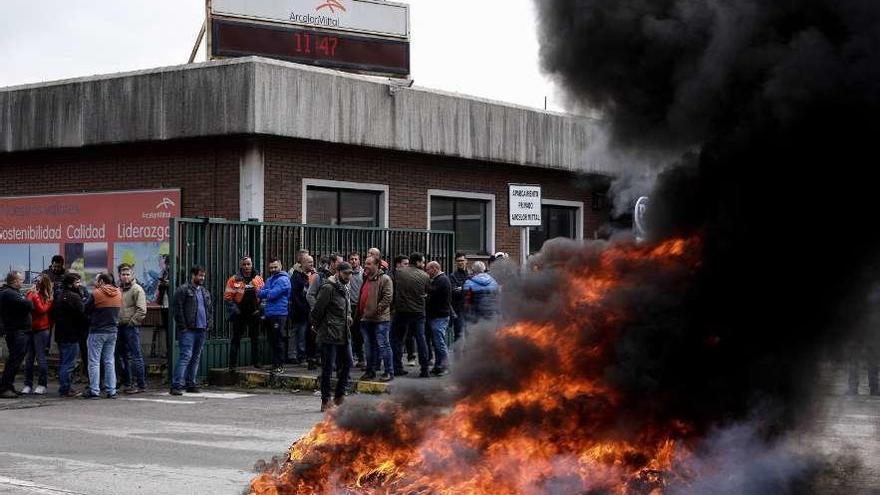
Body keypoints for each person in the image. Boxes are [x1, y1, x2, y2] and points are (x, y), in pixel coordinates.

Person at [311, 261, 354, 412]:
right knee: (328, 367)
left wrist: (348, 315)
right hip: (329, 332)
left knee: (348, 363)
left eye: (350, 273)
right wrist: (315, 325)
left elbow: (347, 306)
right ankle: (325, 399)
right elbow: (318, 309)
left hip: (343, 332)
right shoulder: (328, 288)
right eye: (346, 273)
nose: (348, 276)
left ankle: (339, 395)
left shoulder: (346, 287)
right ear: (338, 272)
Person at [170, 266, 213, 396]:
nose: (202, 278)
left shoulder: (205, 292)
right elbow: (177, 309)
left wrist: (208, 324)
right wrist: (183, 326)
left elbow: (209, 309)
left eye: (203, 276)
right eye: (200, 275)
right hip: (188, 330)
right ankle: (176, 385)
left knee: (196, 357)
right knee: (186, 356)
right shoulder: (183, 290)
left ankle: (191, 383)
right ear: (193, 275)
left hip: (201, 329)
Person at [391, 253, 432, 378]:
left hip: (401, 311)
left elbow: (393, 288)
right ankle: (424, 369)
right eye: (423, 262)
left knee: (397, 339)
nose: (424, 264)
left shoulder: (399, 273)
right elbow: (427, 291)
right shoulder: (425, 276)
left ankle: (397, 367)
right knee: (421, 339)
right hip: (418, 312)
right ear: (418, 262)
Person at [84, 273, 122, 399]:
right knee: (109, 361)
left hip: (97, 331)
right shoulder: (118, 292)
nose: (95, 282)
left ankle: (94, 390)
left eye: (96, 280)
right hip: (112, 331)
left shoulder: (96, 293)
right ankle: (112, 390)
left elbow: (86, 309)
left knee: (94, 361)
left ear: (101, 281)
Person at [52, 273, 89, 397]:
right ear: (70, 284)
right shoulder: (74, 297)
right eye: (77, 282)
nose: (79, 285)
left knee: (64, 362)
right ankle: (66, 389)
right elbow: (82, 314)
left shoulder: (59, 295)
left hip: (60, 334)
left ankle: (64, 387)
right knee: (68, 364)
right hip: (72, 334)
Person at [225, 256, 265, 371]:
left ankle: (257, 362)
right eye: (244, 264)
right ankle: (232, 365)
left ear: (252, 265)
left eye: (248, 264)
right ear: (241, 266)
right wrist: (235, 310)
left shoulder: (258, 279)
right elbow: (228, 297)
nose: (247, 267)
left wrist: (260, 309)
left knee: (255, 338)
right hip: (240, 313)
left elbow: (263, 295)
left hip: (254, 312)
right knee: (236, 339)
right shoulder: (234, 279)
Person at [358, 255, 394, 382]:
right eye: (365, 263)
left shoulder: (385, 279)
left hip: (380, 320)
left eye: (368, 264)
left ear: (376, 265)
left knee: (383, 345)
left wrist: (375, 311)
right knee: (369, 347)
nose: (365, 266)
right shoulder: (366, 278)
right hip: (366, 319)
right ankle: (370, 371)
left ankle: (389, 371)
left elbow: (387, 298)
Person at [0, 271, 33, 399]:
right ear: (14, 281)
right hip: (17, 332)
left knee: (15, 360)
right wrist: (29, 296)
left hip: (18, 331)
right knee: (14, 361)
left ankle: (9, 386)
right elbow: (29, 304)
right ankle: (4, 388)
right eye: (20, 280)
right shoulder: (9, 293)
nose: (22, 282)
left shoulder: (12, 293)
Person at [117, 264, 148, 394]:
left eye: (128, 274)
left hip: (130, 327)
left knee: (136, 356)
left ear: (132, 275)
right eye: (123, 274)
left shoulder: (137, 289)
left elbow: (142, 310)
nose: (125, 277)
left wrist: (131, 322)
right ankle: (128, 383)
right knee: (123, 356)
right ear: (119, 275)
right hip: (119, 327)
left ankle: (140, 384)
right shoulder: (118, 289)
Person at [258, 258, 291, 374]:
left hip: (279, 313)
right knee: (272, 340)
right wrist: (266, 292)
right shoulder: (270, 279)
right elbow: (260, 293)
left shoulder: (283, 280)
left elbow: (271, 294)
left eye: (275, 267)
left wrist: (266, 291)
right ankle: (275, 364)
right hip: (270, 313)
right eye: (271, 267)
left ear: (280, 266)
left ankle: (280, 365)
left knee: (278, 340)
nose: (273, 269)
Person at [23, 275, 53, 395]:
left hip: (41, 329)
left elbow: (41, 310)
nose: (35, 283)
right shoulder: (31, 293)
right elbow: (26, 305)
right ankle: (27, 384)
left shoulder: (48, 296)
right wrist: (32, 294)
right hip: (30, 329)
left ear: (43, 283)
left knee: (41, 358)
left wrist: (34, 295)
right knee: (29, 359)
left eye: (38, 281)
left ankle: (42, 384)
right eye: (35, 280)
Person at [425, 261, 452, 376]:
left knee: (439, 342)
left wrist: (427, 294)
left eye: (428, 270)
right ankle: (438, 366)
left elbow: (433, 294)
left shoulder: (442, 280)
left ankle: (446, 366)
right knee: (437, 342)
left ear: (435, 269)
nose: (427, 273)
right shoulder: (439, 280)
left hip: (440, 316)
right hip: (437, 315)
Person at [289, 254, 314, 365]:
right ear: (303, 263)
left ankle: (305, 355)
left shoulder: (308, 275)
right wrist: (304, 308)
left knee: (305, 334)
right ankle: (300, 356)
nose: (312, 264)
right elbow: (296, 295)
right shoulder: (297, 277)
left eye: (312, 262)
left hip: (306, 310)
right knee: (300, 334)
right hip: (300, 311)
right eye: (309, 262)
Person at [449, 253, 470, 357]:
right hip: (458, 309)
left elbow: (472, 290)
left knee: (469, 334)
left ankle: (468, 357)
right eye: (458, 261)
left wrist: (461, 288)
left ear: (466, 261)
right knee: (458, 334)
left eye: (462, 260)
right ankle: (457, 358)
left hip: (470, 309)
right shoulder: (452, 276)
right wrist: (465, 289)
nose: (460, 263)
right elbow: (454, 292)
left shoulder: (471, 274)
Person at [348, 252, 365, 367]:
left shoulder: (363, 274)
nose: (354, 261)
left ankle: (361, 357)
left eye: (356, 259)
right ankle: (351, 357)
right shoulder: (346, 274)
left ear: (359, 261)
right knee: (349, 333)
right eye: (351, 259)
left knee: (359, 334)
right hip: (349, 306)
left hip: (360, 307)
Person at [151, 254, 170, 358]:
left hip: (173, 305)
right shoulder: (164, 273)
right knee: (167, 328)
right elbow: (160, 287)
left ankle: (171, 350)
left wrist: (169, 283)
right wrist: (163, 283)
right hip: (164, 304)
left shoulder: (178, 272)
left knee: (172, 329)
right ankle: (168, 350)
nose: (167, 266)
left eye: (168, 263)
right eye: (166, 263)